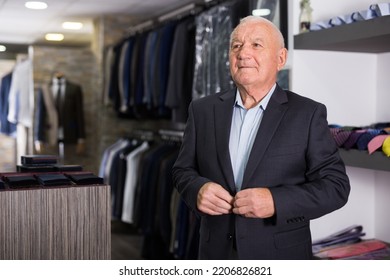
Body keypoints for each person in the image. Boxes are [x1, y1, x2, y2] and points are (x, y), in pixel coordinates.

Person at [172, 15, 350, 260]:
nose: (243, 53)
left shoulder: (307, 114)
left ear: (280, 58)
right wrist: (197, 189)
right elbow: (182, 170)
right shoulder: (202, 110)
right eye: (236, 45)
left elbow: (336, 187)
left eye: (256, 45)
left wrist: (276, 201)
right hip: (216, 254)